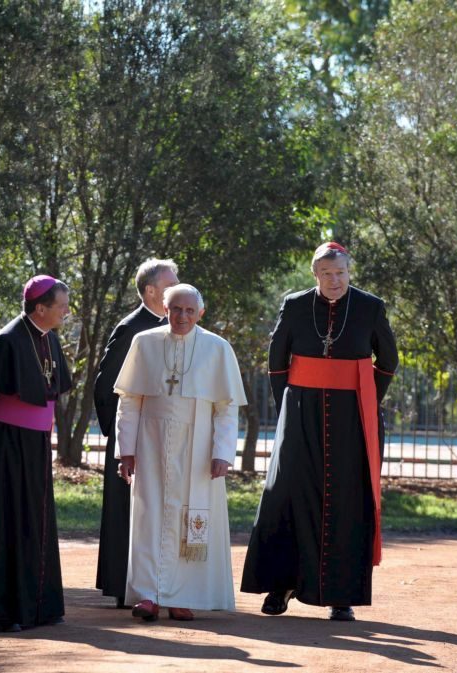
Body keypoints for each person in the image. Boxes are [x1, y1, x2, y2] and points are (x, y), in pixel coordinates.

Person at [241, 242, 398, 621]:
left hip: (351, 418)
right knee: (286, 493)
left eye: (340, 273)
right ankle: (280, 585)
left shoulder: (370, 307)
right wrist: (288, 407)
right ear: (315, 275)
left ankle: (341, 597)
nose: (334, 280)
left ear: (349, 273)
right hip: (300, 413)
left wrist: (364, 397)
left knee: (347, 499)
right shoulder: (295, 305)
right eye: (327, 274)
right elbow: (277, 360)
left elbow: (388, 360)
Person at [114, 283, 246, 622]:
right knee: (149, 517)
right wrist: (125, 450)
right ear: (164, 310)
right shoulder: (145, 343)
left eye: (189, 310)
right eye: (175, 309)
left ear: (201, 313)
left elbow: (226, 408)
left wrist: (223, 452)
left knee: (193, 519)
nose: (182, 316)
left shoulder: (217, 348)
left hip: (199, 446)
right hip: (152, 443)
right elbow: (129, 401)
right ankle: (148, 595)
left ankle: (183, 594)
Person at [0, 275, 73, 633]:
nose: (67, 312)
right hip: (4, 447)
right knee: (2, 522)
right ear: (40, 308)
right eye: (62, 306)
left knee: (34, 521)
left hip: (34, 445)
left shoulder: (47, 338)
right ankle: (1, 611)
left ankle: (38, 604)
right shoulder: (6, 342)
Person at [93, 258, 179, 608]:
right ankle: (124, 585)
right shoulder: (133, 328)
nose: (176, 289)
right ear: (151, 291)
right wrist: (121, 437)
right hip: (134, 438)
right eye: (170, 284)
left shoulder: (173, 326)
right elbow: (105, 386)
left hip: (163, 436)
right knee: (129, 512)